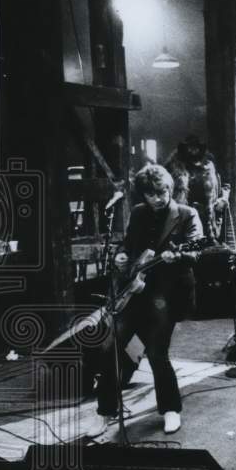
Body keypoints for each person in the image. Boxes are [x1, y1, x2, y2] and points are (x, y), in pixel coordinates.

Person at [89, 164, 203, 437]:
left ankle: (170, 409)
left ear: (170, 189)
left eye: (162, 192)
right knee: (110, 348)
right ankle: (105, 412)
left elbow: (198, 250)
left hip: (167, 294)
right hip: (136, 291)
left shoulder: (187, 214)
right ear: (144, 195)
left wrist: (179, 256)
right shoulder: (139, 213)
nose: (158, 198)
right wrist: (120, 256)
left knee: (155, 352)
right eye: (151, 194)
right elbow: (128, 244)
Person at [164, 135, 228, 240]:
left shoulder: (209, 165)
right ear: (184, 149)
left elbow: (224, 185)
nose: (192, 150)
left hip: (206, 213)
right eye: (189, 147)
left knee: (207, 242)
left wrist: (223, 199)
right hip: (185, 212)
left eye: (195, 147)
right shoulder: (174, 166)